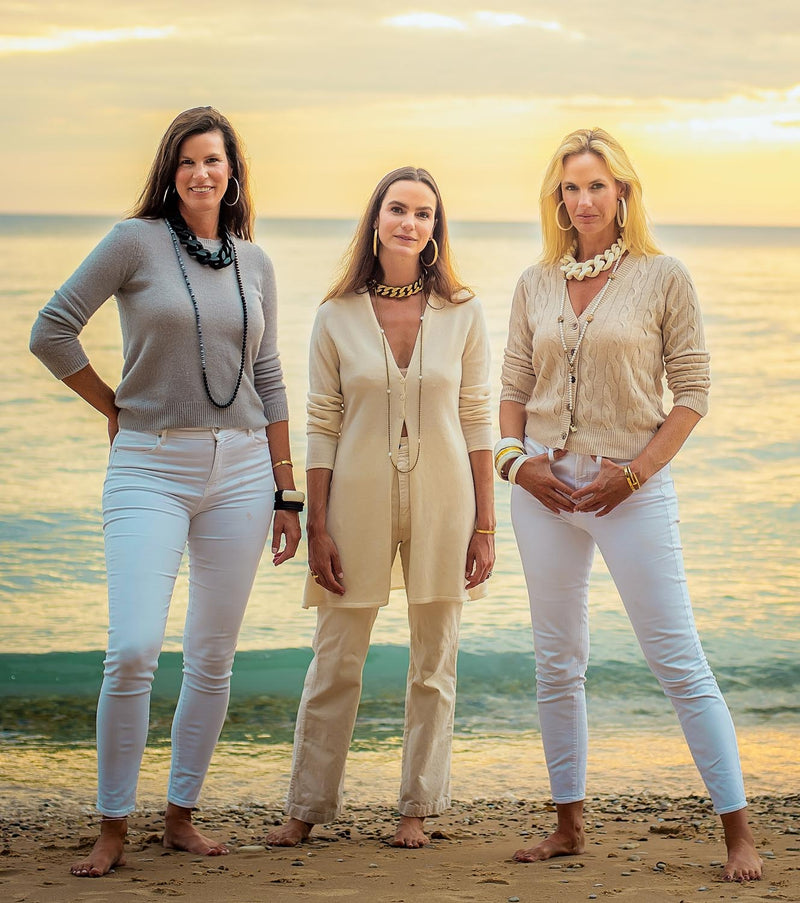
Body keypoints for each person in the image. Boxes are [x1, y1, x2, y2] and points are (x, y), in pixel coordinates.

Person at [30, 106, 302, 877]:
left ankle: (180, 814)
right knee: (135, 649)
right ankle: (111, 823)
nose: (200, 174)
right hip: (149, 465)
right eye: (186, 162)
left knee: (212, 657)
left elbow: (271, 375)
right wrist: (111, 405)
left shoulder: (255, 262)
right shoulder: (133, 242)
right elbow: (52, 329)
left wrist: (287, 492)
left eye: (212, 160)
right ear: (168, 171)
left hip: (245, 469)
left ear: (232, 170)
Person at [497, 128, 762, 882]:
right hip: (543, 489)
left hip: (631, 488)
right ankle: (567, 823)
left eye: (597, 186)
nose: (583, 200)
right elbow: (512, 389)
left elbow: (694, 394)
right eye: (571, 188)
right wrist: (518, 467)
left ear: (623, 194)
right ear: (559, 197)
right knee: (557, 659)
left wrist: (634, 475)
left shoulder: (663, 276)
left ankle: (738, 832)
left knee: (676, 657)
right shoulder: (534, 282)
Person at [266, 166, 494, 849]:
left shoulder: (464, 312)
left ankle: (417, 805)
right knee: (335, 657)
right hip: (355, 501)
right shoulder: (335, 315)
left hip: (447, 500)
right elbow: (322, 421)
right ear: (376, 219)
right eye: (398, 208)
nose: (409, 222)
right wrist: (317, 521)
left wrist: (486, 524)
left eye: (424, 213)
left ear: (434, 230)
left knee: (435, 661)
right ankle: (306, 804)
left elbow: (478, 418)